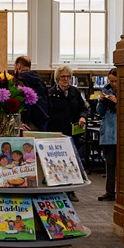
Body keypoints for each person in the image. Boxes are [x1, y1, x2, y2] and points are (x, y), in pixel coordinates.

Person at [48, 64, 88, 201]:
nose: (66, 79)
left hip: (72, 133)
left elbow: (83, 108)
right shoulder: (51, 93)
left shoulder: (75, 92)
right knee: (56, 161)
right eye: (63, 76)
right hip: (56, 133)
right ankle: (57, 189)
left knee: (71, 162)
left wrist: (82, 117)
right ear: (57, 78)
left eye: (68, 76)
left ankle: (70, 190)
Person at [96, 68, 118, 201]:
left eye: (115, 81)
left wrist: (116, 102)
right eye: (111, 81)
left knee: (120, 165)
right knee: (109, 164)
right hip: (108, 133)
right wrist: (103, 101)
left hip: (119, 132)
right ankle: (109, 191)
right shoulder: (106, 90)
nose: (113, 84)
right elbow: (99, 112)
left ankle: (121, 191)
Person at [13, 56, 49, 130]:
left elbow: (24, 104)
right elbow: (48, 102)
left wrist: (22, 121)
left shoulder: (19, 81)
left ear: (18, 66)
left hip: (27, 124)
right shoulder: (40, 81)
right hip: (42, 121)